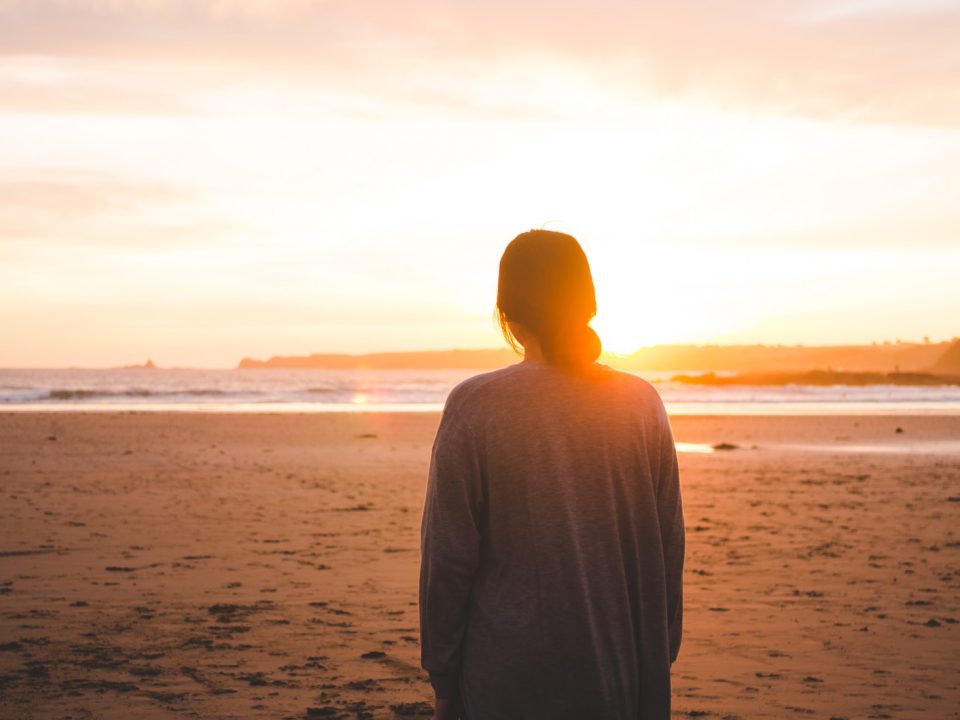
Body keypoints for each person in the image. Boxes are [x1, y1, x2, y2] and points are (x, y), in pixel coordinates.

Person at [419, 230, 684, 720]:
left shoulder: (476, 406)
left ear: (509, 314)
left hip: (506, 680)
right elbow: (669, 546)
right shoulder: (641, 403)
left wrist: (443, 676)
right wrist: (656, 657)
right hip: (620, 676)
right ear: (586, 305)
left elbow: (448, 559)